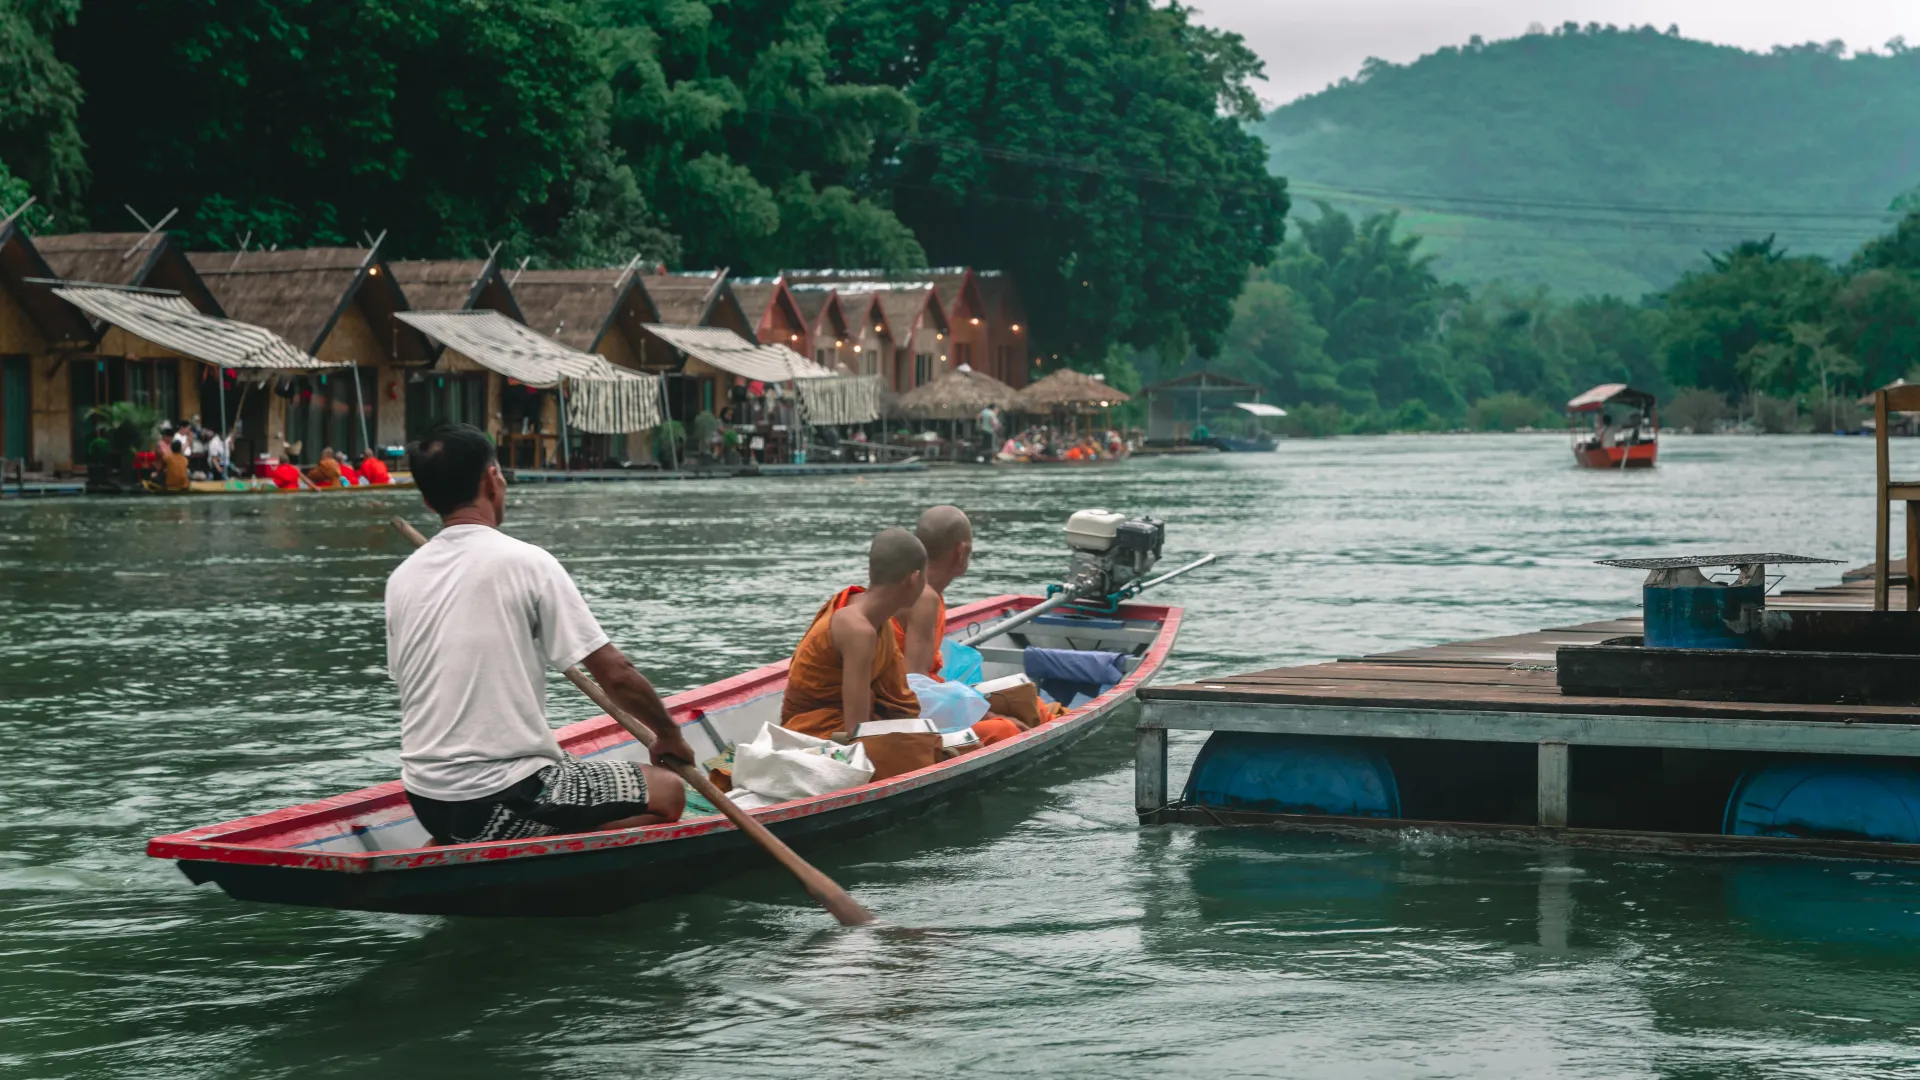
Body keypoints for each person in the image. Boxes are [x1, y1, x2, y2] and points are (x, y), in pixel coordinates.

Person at [387, 423, 691, 845]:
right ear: (492, 480)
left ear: (425, 498)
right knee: (670, 792)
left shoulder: (401, 579)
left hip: (427, 800)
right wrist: (669, 735)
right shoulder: (527, 563)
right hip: (504, 793)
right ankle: (537, 847)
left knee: (560, 766)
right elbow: (616, 674)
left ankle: (466, 842)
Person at [781, 528, 927, 740]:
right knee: (922, 747)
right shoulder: (858, 631)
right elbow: (856, 733)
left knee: (925, 741)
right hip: (811, 733)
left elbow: (899, 705)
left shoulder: (881, 623)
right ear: (914, 578)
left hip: (844, 726)